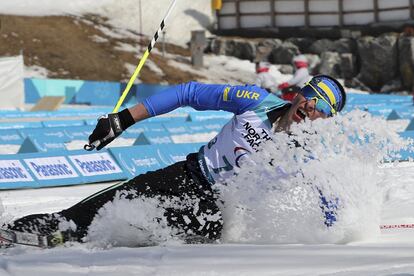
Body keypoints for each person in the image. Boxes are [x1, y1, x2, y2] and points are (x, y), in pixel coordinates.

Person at [6, 75, 346, 244]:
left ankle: (60, 238)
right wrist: (123, 120)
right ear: (299, 94)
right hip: (186, 177)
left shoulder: (307, 154)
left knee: (126, 238)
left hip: (214, 217)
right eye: (312, 97)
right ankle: (31, 233)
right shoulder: (256, 101)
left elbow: (329, 197)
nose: (311, 108)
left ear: (326, 120)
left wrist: (337, 232)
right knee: (96, 211)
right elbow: (188, 93)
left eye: (322, 109)